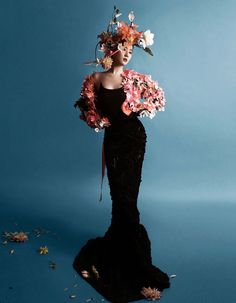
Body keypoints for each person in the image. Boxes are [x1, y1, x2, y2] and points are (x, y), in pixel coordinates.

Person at [73, 7, 171, 302]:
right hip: (114, 140)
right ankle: (122, 252)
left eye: (131, 50)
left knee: (130, 194)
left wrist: (142, 107)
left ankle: (132, 259)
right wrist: (98, 120)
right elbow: (90, 113)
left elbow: (158, 95)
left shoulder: (134, 78)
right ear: (111, 49)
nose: (127, 54)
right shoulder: (95, 79)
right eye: (123, 49)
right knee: (120, 196)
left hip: (135, 138)